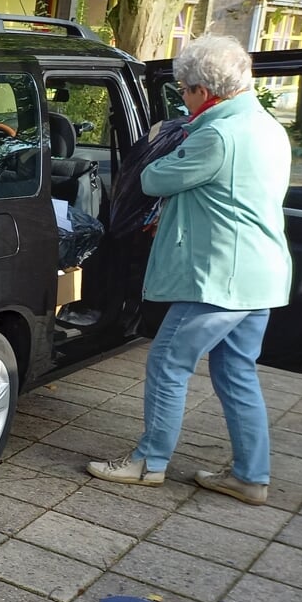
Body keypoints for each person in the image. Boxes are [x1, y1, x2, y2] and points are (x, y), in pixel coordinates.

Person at [87, 35, 290, 506]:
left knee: (167, 362)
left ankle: (148, 463)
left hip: (220, 279)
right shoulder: (266, 126)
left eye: (183, 89)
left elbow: (153, 178)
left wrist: (165, 140)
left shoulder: (216, 135)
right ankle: (250, 476)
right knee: (236, 369)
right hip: (260, 275)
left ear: (203, 90)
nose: (181, 96)